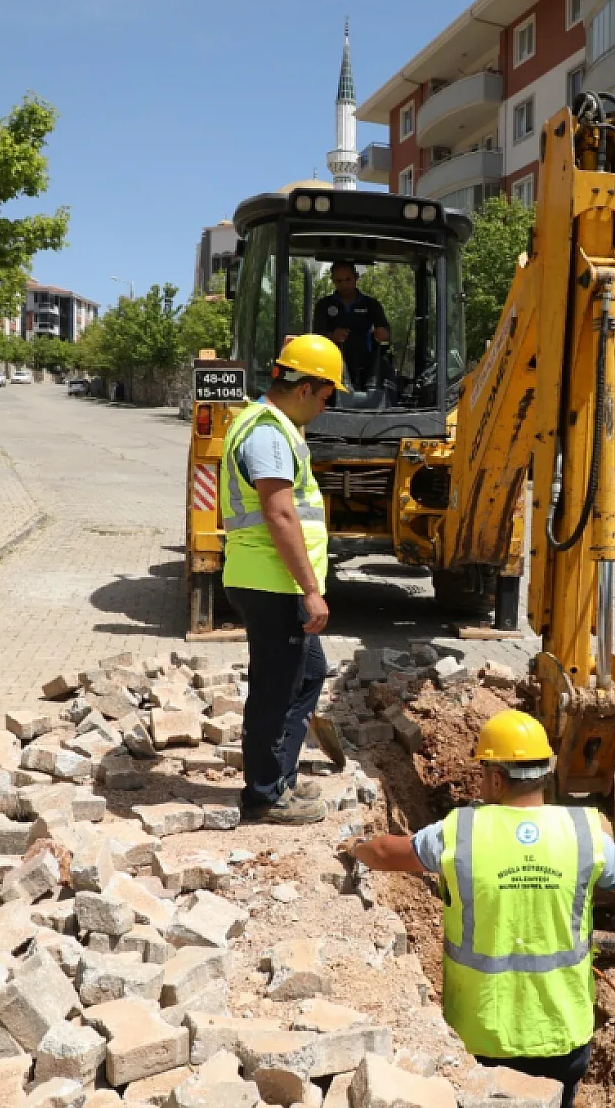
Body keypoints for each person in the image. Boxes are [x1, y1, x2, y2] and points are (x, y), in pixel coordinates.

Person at [343, 710, 615, 1106]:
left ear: (497, 779)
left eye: (484, 772)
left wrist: (353, 846)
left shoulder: (460, 830)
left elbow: (383, 852)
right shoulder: (584, 832)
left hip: (482, 1034)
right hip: (561, 1034)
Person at [218, 334, 349, 826]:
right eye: (325, 394)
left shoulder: (272, 426)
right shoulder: (268, 434)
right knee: (275, 688)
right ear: (304, 387)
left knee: (308, 673)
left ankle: (280, 777)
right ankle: (264, 796)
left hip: (272, 581)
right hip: (271, 583)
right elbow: (280, 515)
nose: (326, 404)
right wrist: (312, 590)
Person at [313, 260, 391, 391]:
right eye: (339, 281)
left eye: (347, 279)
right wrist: (332, 336)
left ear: (356, 278)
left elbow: (386, 332)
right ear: (333, 281)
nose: (344, 285)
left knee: (386, 375)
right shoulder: (323, 305)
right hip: (333, 364)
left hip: (368, 363)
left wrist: (382, 334)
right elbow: (316, 337)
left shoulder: (371, 304)